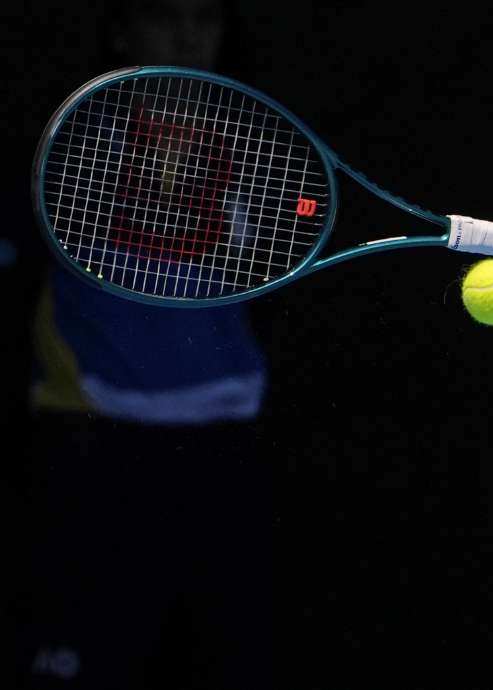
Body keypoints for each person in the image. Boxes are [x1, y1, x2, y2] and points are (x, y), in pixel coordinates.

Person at [15, 1, 273, 688]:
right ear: (123, 28)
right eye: (167, 15)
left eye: (206, 18)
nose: (189, 35)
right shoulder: (69, 133)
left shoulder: (260, 146)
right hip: (91, 431)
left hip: (224, 435)